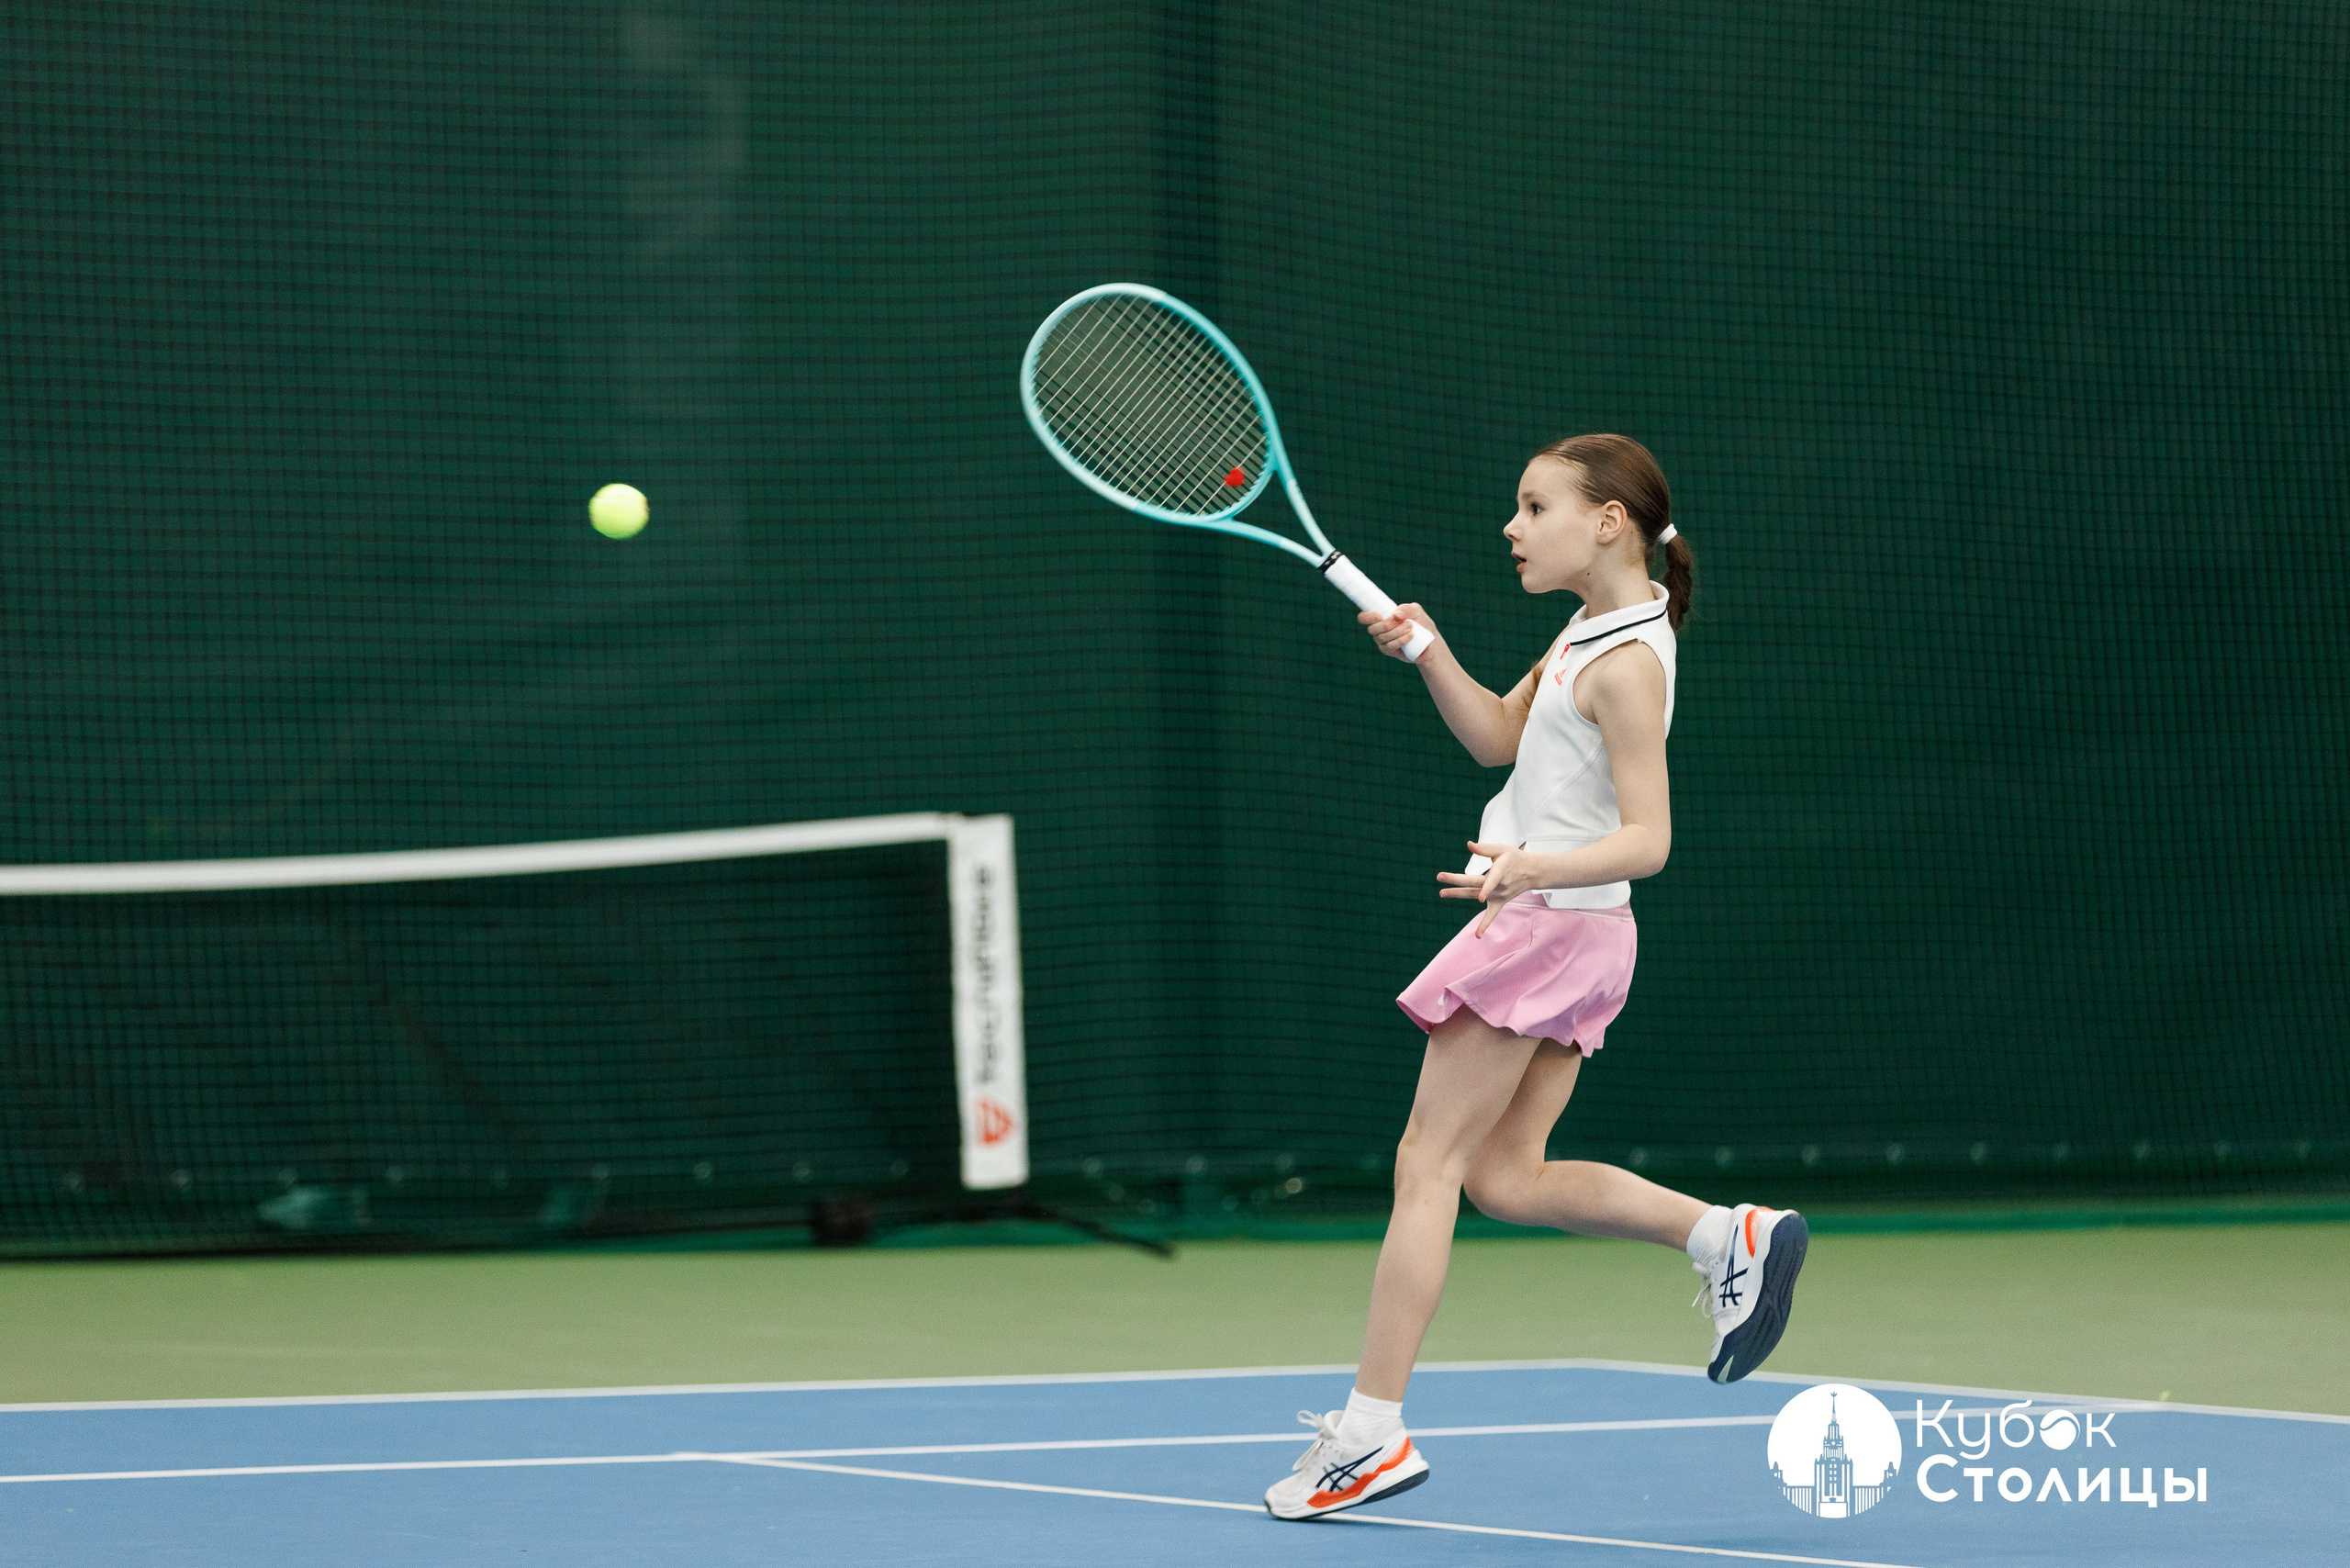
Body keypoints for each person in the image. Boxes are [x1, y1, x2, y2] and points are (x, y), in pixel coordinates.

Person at [1264, 433, 1808, 1522]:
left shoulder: (1626, 662)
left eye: (1533, 506)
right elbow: (1498, 739)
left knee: (1425, 1164)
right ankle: (1724, 1234)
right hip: (1577, 932)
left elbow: (1648, 836)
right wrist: (1428, 649)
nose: (1511, 527)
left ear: (1606, 522)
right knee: (1504, 1178)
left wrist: (1529, 869)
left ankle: (1368, 1434)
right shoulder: (1590, 627)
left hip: (1549, 923)